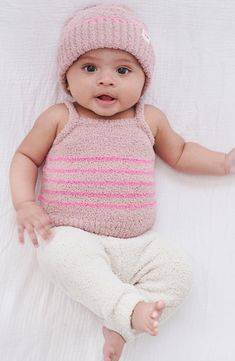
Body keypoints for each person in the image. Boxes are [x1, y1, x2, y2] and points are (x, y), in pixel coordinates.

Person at [9, 4, 235, 361]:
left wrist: (223, 162)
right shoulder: (59, 117)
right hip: (73, 235)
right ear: (65, 77)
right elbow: (25, 158)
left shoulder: (149, 120)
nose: (105, 79)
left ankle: (119, 327)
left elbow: (180, 153)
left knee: (178, 270)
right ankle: (129, 310)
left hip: (136, 245)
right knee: (53, 253)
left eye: (123, 69)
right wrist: (25, 203)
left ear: (144, 79)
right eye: (89, 67)